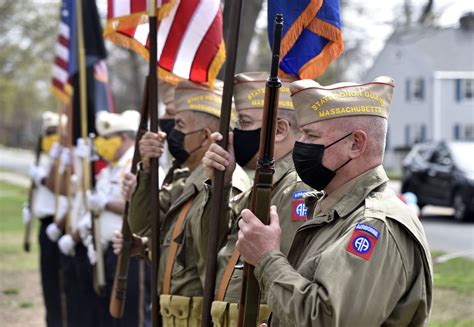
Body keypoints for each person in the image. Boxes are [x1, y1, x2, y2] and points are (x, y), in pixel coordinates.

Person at [236, 76, 433, 326]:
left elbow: (326, 319)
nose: (301, 144)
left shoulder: (376, 226)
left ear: (355, 144)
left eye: (311, 135)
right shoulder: (332, 210)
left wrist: (267, 257)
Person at [127, 80, 250, 326]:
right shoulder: (185, 179)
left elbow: (212, 253)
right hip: (172, 315)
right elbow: (142, 225)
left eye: (179, 125)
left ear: (205, 136)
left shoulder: (226, 185)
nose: (171, 132)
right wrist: (148, 169)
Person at [201, 72, 312, 326]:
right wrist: (220, 183)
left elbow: (292, 279)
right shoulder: (263, 186)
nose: (233, 134)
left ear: (279, 130)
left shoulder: (295, 190)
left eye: (244, 122)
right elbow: (205, 253)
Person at [24, 111, 68, 327]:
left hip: (60, 224)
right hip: (45, 224)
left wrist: (41, 178)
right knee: (48, 281)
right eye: (48, 132)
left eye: (54, 132)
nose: (50, 137)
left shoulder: (64, 155)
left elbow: (60, 187)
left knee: (62, 284)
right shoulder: (44, 155)